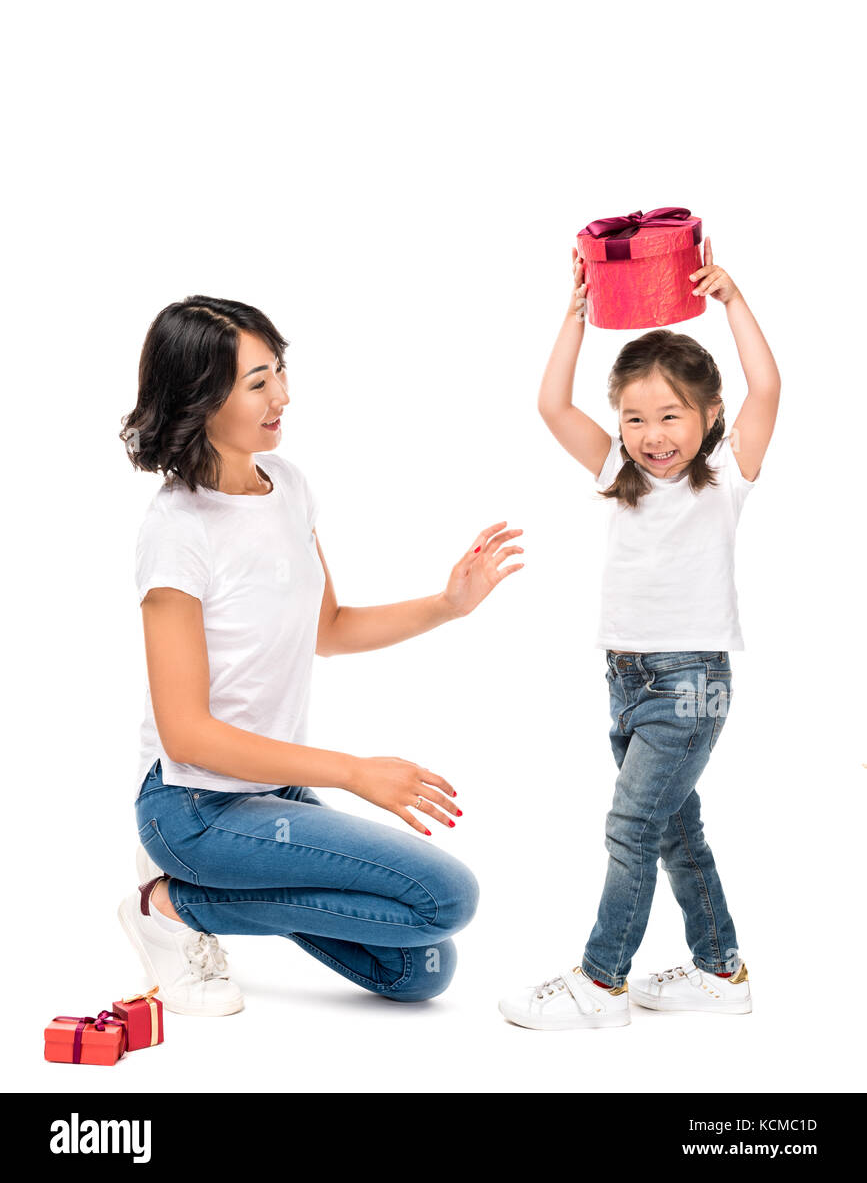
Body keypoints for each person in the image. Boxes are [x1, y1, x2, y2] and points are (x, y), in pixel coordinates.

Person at [118, 294, 524, 1015]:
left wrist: (446, 604)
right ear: (200, 397)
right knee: (446, 897)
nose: (281, 396)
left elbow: (326, 627)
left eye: (278, 371)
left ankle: (207, 899)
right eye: (255, 383)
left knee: (420, 969)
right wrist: (354, 773)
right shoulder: (176, 531)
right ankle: (168, 906)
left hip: (273, 794)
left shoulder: (289, 487)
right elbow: (186, 733)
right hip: (195, 807)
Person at [498, 237, 780, 1030]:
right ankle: (720, 971)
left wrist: (729, 300)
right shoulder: (613, 475)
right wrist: (575, 318)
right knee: (672, 829)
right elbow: (552, 405)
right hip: (625, 680)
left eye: (671, 416)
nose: (653, 435)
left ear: (708, 416)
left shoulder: (725, 477)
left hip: (688, 684)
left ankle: (600, 982)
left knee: (629, 827)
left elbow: (768, 385)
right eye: (633, 418)